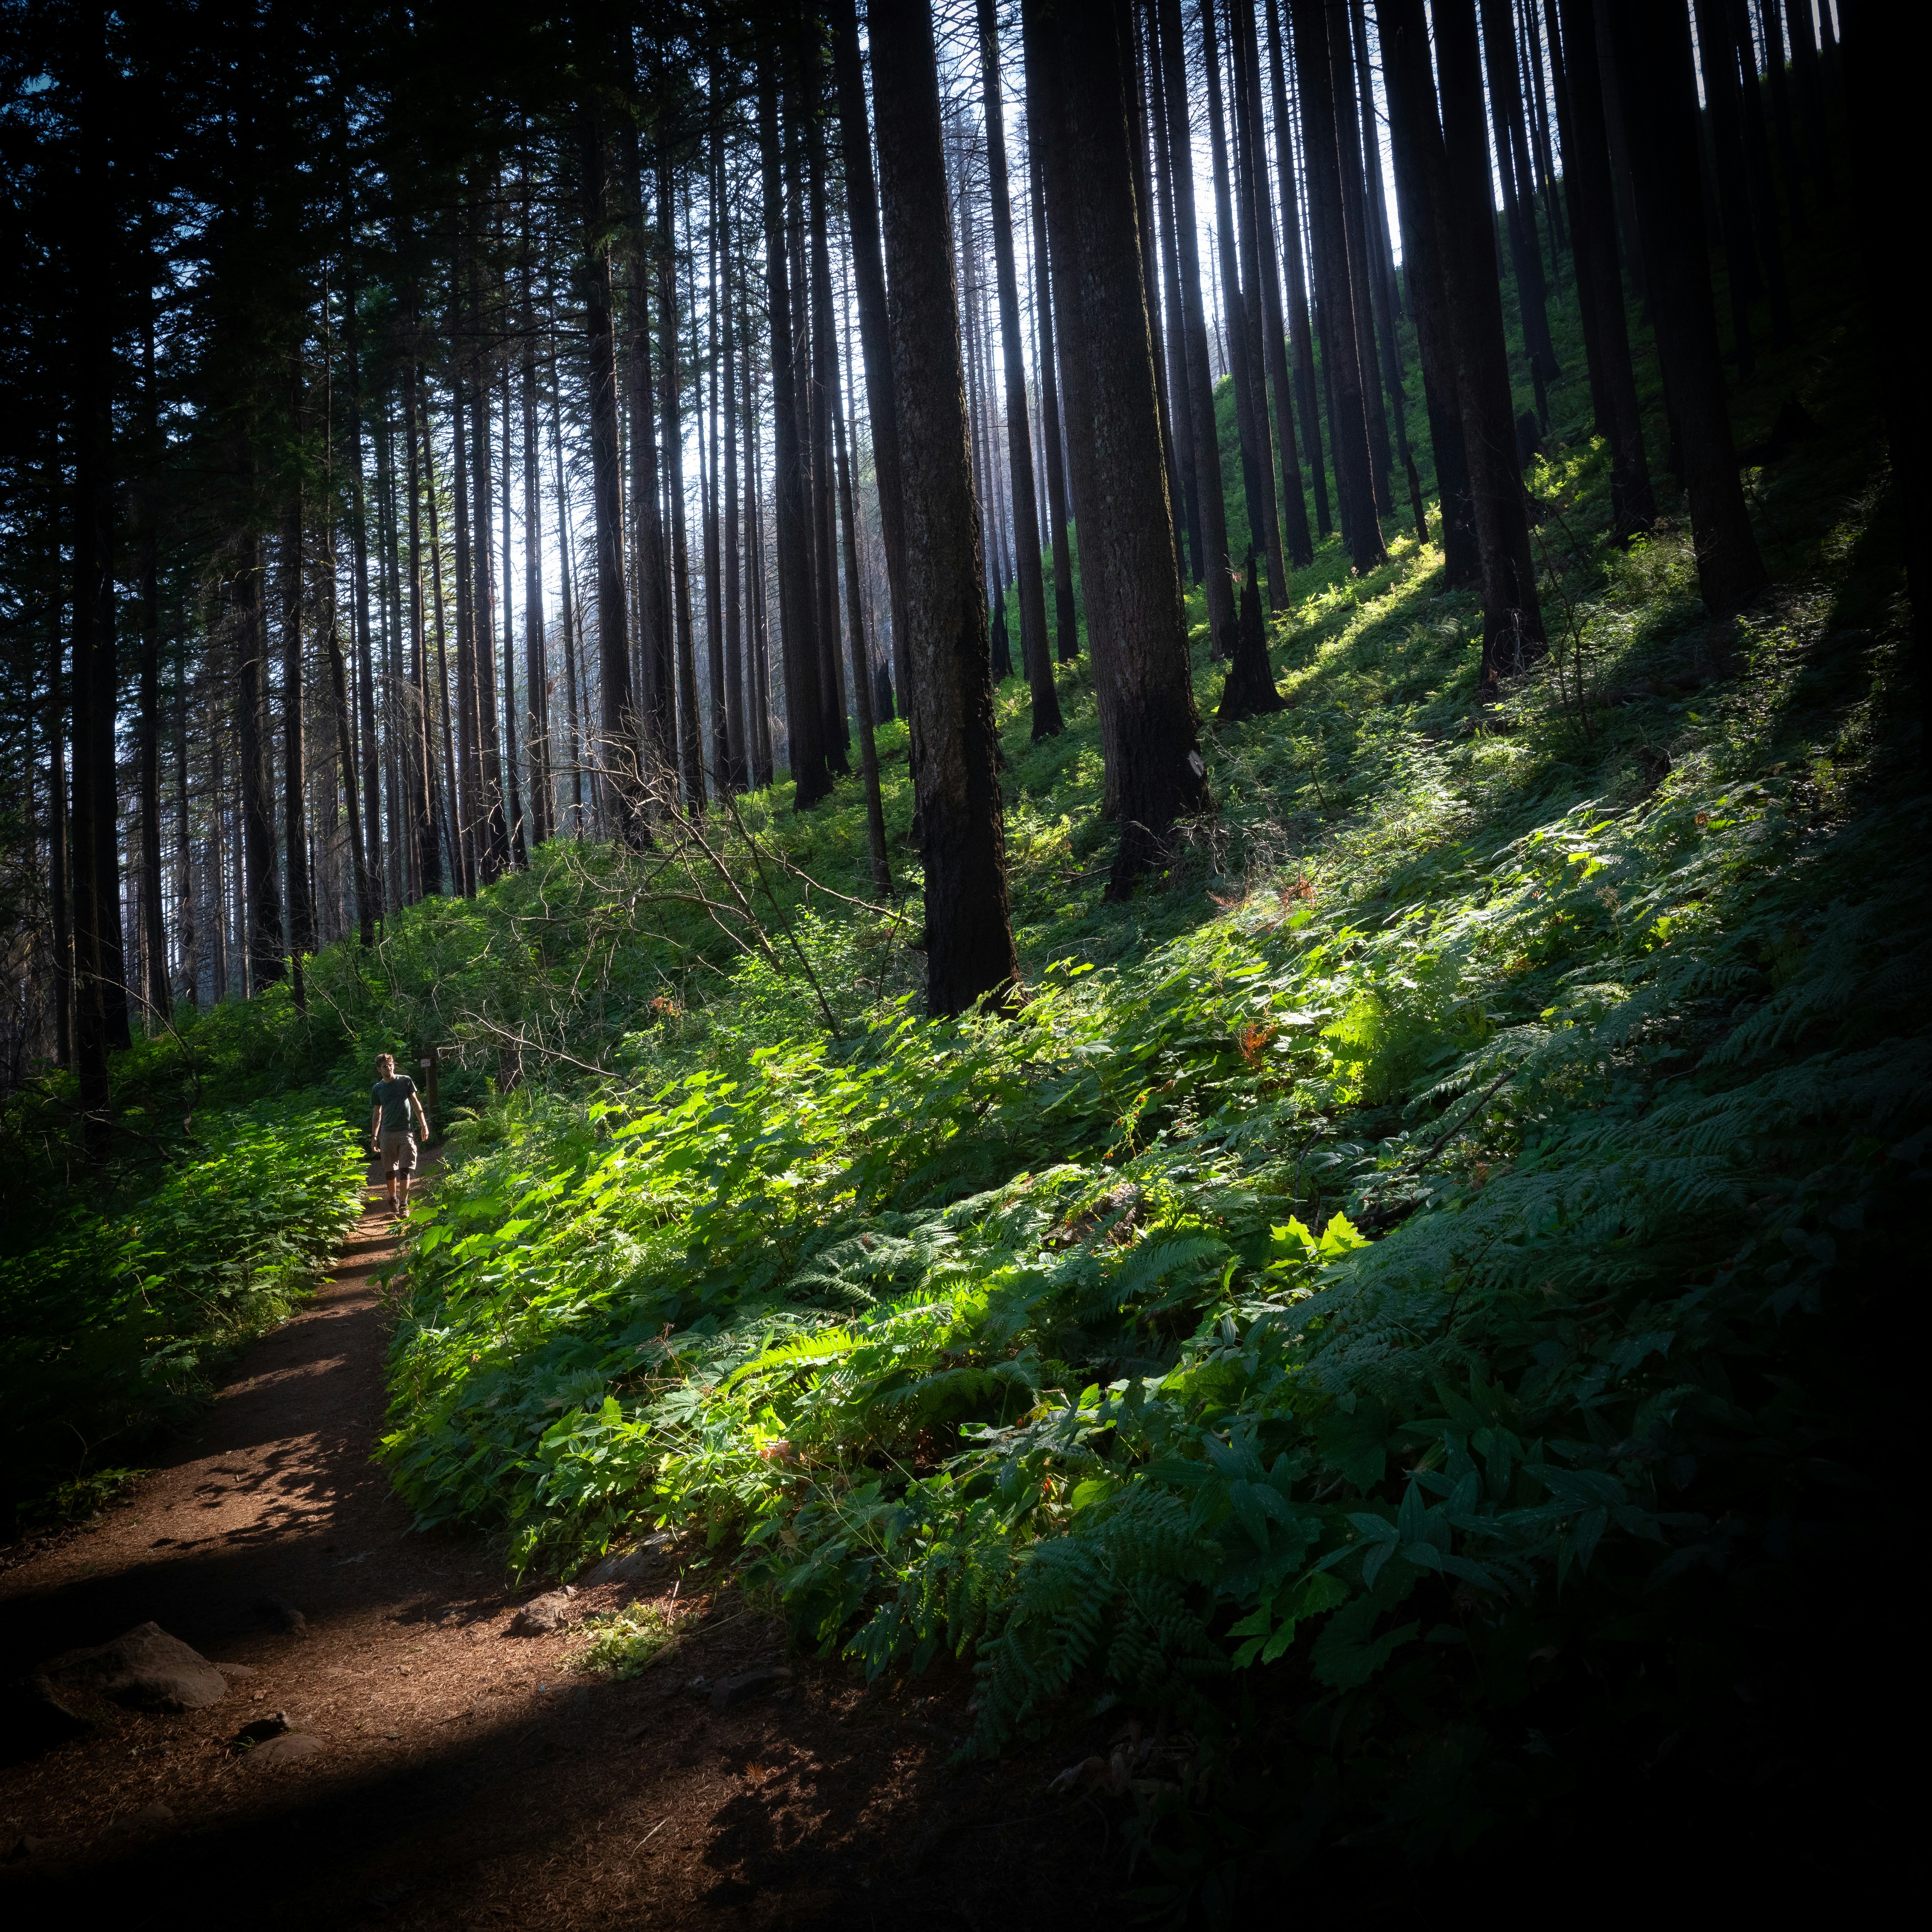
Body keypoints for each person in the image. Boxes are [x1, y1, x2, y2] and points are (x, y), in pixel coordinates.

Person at [368, 1052, 431, 1217]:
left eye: (390, 1065)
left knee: (405, 1169)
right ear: (379, 1069)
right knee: (390, 1171)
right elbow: (377, 1113)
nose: (388, 1068)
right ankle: (393, 1200)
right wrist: (374, 1137)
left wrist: (424, 1125)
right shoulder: (378, 1088)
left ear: (394, 1066)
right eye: (384, 1066)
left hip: (406, 1132)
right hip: (387, 1134)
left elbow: (416, 1103)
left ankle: (404, 1204)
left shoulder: (405, 1081)